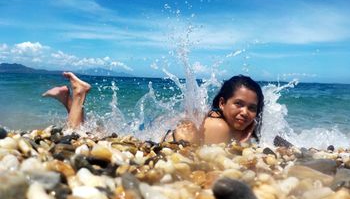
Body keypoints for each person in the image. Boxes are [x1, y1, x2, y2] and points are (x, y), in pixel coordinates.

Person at [44, 73, 264, 144]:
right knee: (75, 137)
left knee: (90, 133)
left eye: (252, 108)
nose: (245, 112)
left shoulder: (217, 120)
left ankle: (68, 100)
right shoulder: (219, 127)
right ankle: (79, 93)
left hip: (150, 131)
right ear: (222, 103)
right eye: (239, 104)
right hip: (150, 139)